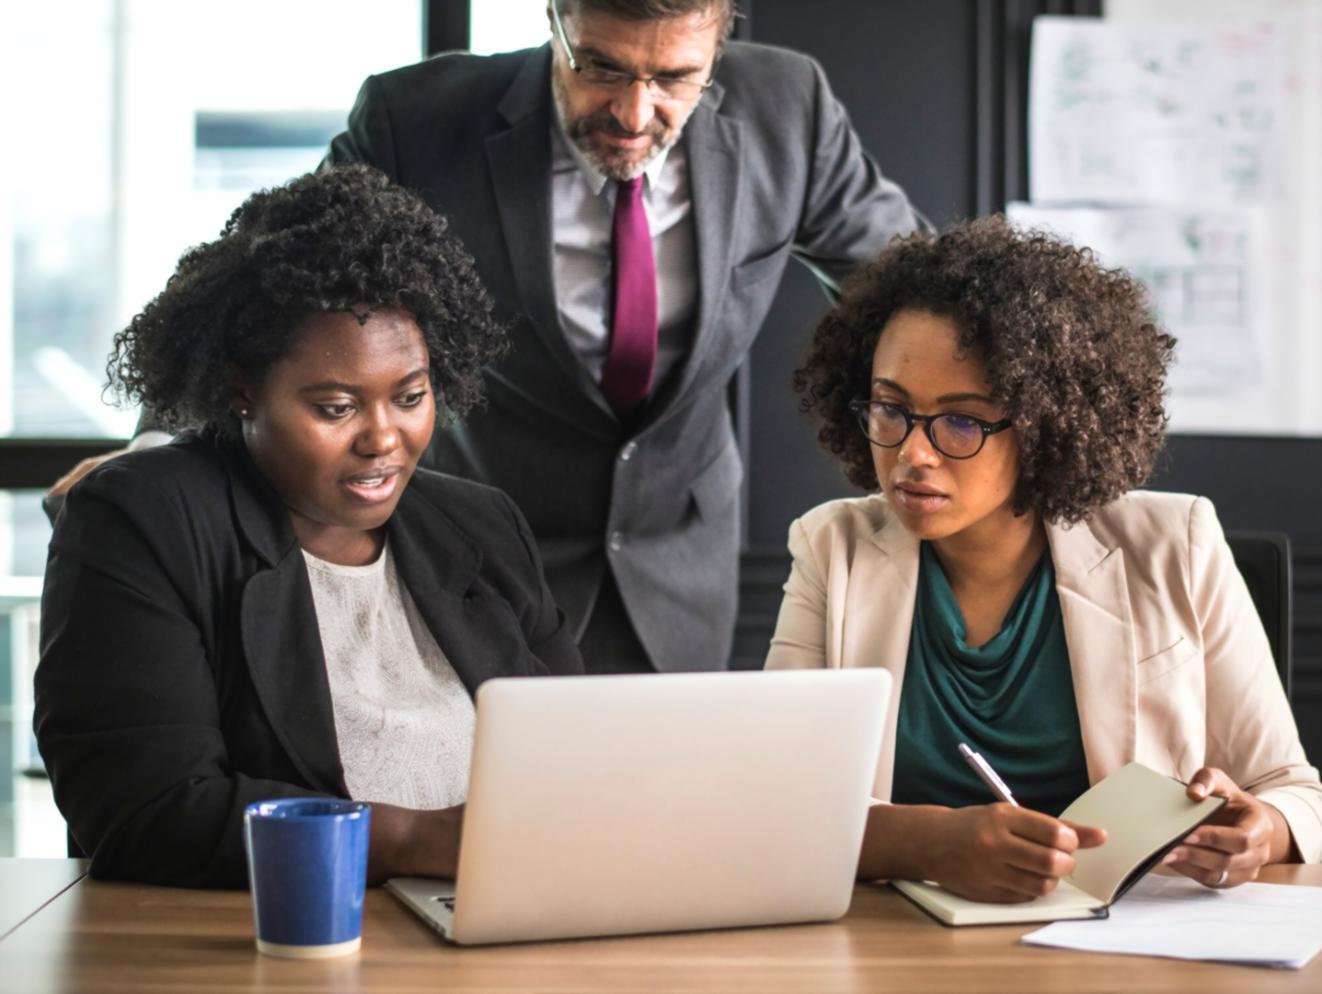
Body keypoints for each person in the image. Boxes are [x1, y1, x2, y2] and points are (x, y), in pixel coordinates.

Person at [319, 0, 925, 673]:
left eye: (673, 78)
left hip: (680, 560)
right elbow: (297, 304)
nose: (634, 116)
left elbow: (918, 290)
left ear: (718, 49)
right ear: (555, 20)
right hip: (474, 552)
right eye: (602, 68)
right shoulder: (413, 120)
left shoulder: (789, 108)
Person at [34, 165, 583, 889]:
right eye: (335, 408)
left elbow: (580, 761)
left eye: (410, 396)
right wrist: (417, 838)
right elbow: (145, 812)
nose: (383, 438)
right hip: (273, 940)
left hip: (495, 922)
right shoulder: (143, 519)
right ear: (242, 392)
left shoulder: (480, 525)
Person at [767, 217, 1322, 902]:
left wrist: (1259, 831)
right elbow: (775, 807)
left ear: (1044, 425)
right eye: (891, 409)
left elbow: (1293, 790)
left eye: (962, 421)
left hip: (1131, 949)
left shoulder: (1175, 543)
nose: (913, 451)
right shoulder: (832, 548)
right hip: (899, 948)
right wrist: (928, 842)